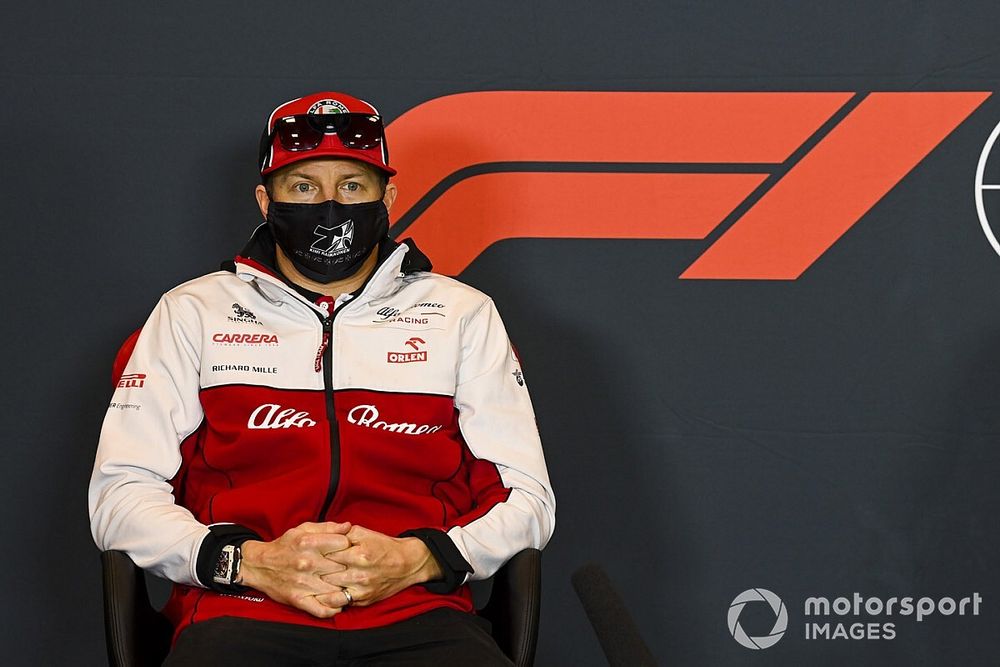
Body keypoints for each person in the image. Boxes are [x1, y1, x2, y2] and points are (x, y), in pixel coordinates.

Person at [89, 90, 555, 665]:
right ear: (266, 200)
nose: (330, 204)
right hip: (241, 608)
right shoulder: (192, 312)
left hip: (417, 612)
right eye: (303, 186)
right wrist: (244, 562)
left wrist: (424, 558)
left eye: (353, 187)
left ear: (390, 196)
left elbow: (528, 499)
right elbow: (119, 494)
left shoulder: (462, 313)